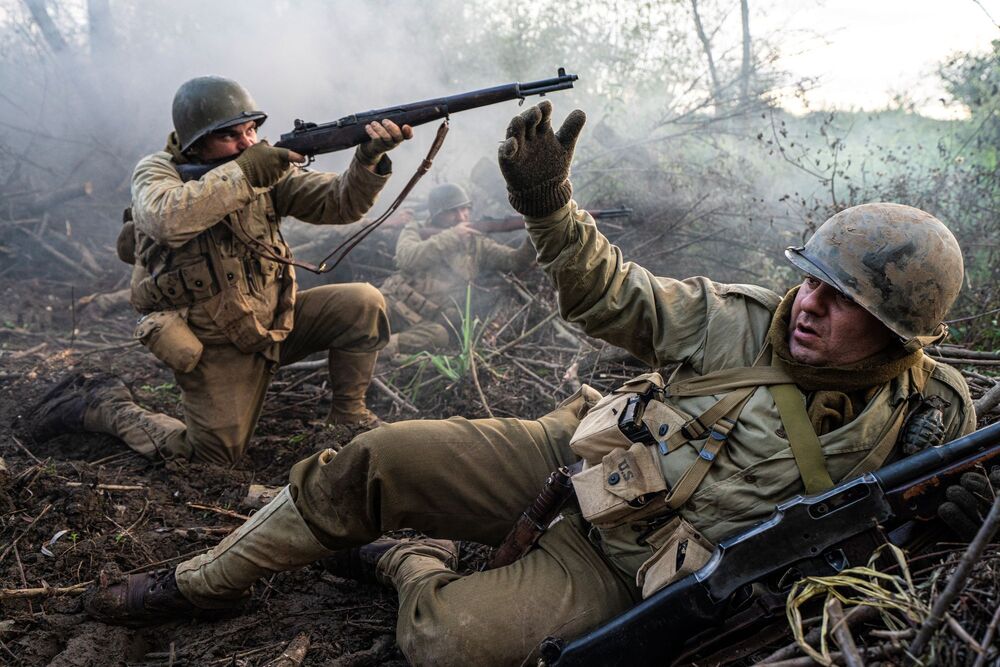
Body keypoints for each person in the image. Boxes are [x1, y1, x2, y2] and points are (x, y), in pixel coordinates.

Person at [83, 101, 975, 665]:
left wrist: (959, 506)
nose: (807, 304)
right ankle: (203, 580)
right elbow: (614, 294)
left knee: (445, 641)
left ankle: (405, 557)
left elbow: (926, 519)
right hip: (580, 451)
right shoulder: (737, 318)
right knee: (376, 457)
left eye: (839, 299)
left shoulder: (929, 419)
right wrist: (550, 209)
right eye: (809, 280)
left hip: (631, 567)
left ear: (896, 333)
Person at [26, 75, 412, 465]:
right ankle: (106, 406)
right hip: (217, 343)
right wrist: (247, 173)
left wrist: (367, 161)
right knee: (209, 458)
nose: (246, 143)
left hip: (276, 321)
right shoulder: (158, 171)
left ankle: (348, 417)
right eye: (230, 135)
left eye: (250, 130)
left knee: (362, 302)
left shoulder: (258, 166)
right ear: (195, 142)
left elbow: (339, 204)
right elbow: (166, 219)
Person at [378, 182, 535, 359]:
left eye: (464, 209)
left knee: (439, 336)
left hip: (421, 321)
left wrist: (535, 237)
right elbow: (407, 259)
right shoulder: (417, 228)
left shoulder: (477, 244)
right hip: (392, 301)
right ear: (437, 214)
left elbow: (514, 260)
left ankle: (376, 349)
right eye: (452, 211)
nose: (461, 216)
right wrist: (452, 236)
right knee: (368, 306)